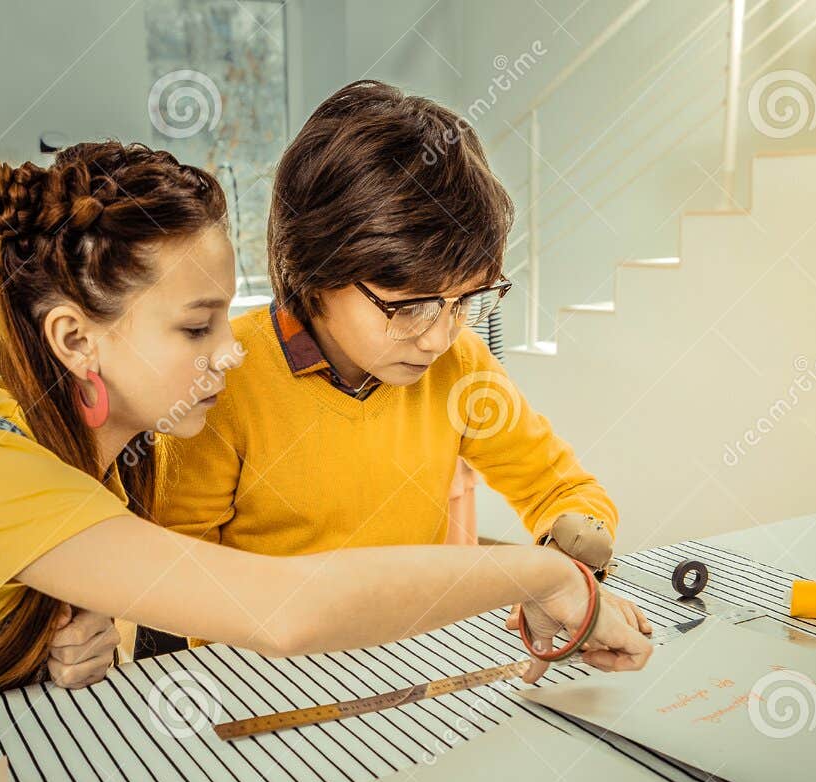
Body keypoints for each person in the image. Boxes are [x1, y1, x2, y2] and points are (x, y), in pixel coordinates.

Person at [0, 141, 652, 745]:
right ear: (77, 339)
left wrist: (83, 633)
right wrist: (546, 576)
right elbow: (290, 609)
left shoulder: (109, 450)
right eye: (198, 328)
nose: (228, 355)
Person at [155, 81, 641, 637]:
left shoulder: (460, 365)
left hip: (409, 657)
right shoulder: (222, 381)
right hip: (258, 669)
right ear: (315, 267)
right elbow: (174, 577)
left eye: (465, 301)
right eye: (411, 306)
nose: (438, 339)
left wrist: (566, 559)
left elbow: (562, 490)